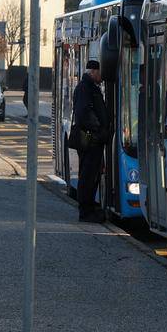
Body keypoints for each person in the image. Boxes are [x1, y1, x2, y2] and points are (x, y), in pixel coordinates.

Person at [71, 59, 108, 222]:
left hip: (93, 139)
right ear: (93, 72)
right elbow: (84, 112)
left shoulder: (90, 87)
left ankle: (89, 208)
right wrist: (98, 131)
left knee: (92, 175)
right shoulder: (85, 88)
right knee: (88, 175)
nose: (102, 76)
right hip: (91, 140)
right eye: (100, 72)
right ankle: (86, 212)